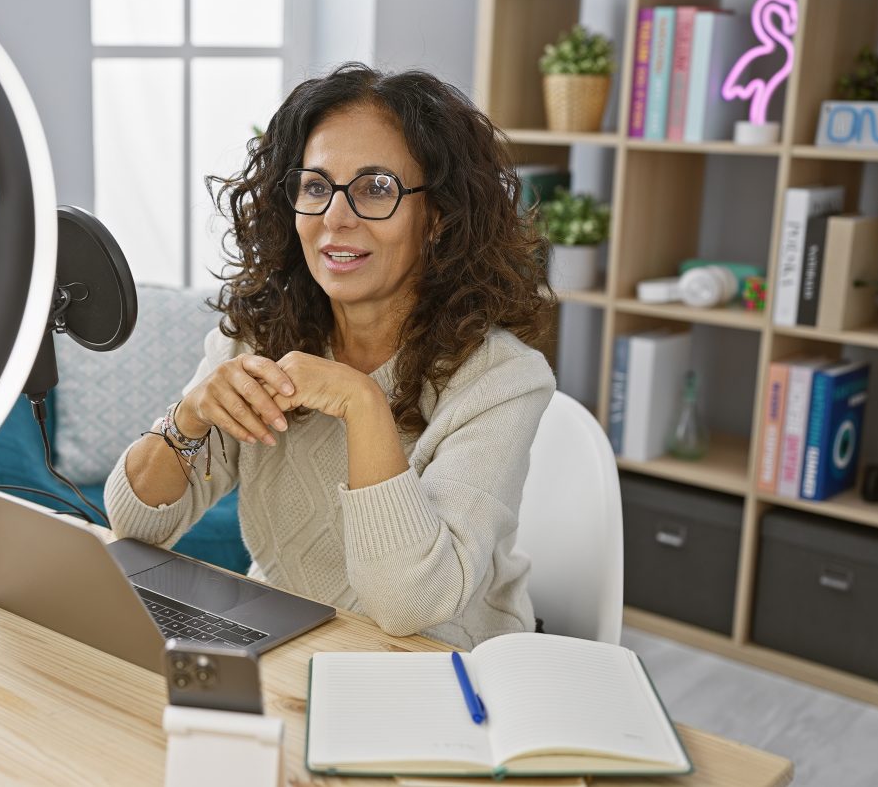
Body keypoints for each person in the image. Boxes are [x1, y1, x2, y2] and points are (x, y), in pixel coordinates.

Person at [103, 63, 556, 648]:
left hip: (442, 667)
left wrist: (361, 402)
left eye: (376, 188)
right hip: (282, 636)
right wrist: (189, 418)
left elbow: (408, 606)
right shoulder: (259, 334)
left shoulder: (502, 379)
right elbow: (136, 525)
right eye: (316, 187)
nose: (335, 219)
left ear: (437, 217)